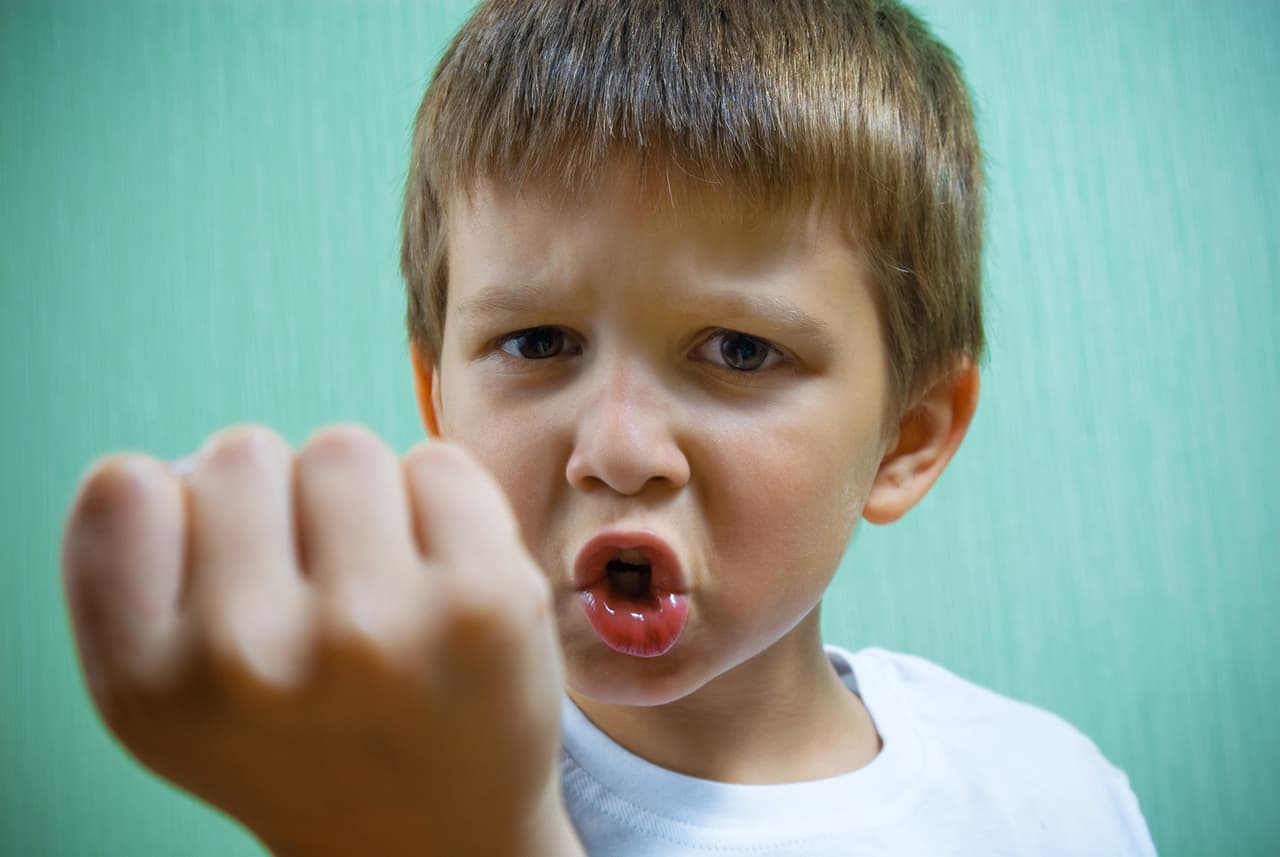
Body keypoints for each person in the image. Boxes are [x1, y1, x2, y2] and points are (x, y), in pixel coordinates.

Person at [61, 1, 1157, 855]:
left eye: (737, 349)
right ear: (439, 398)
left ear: (908, 436)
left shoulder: (1046, 793)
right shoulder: (399, 786)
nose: (620, 448)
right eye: (537, 342)